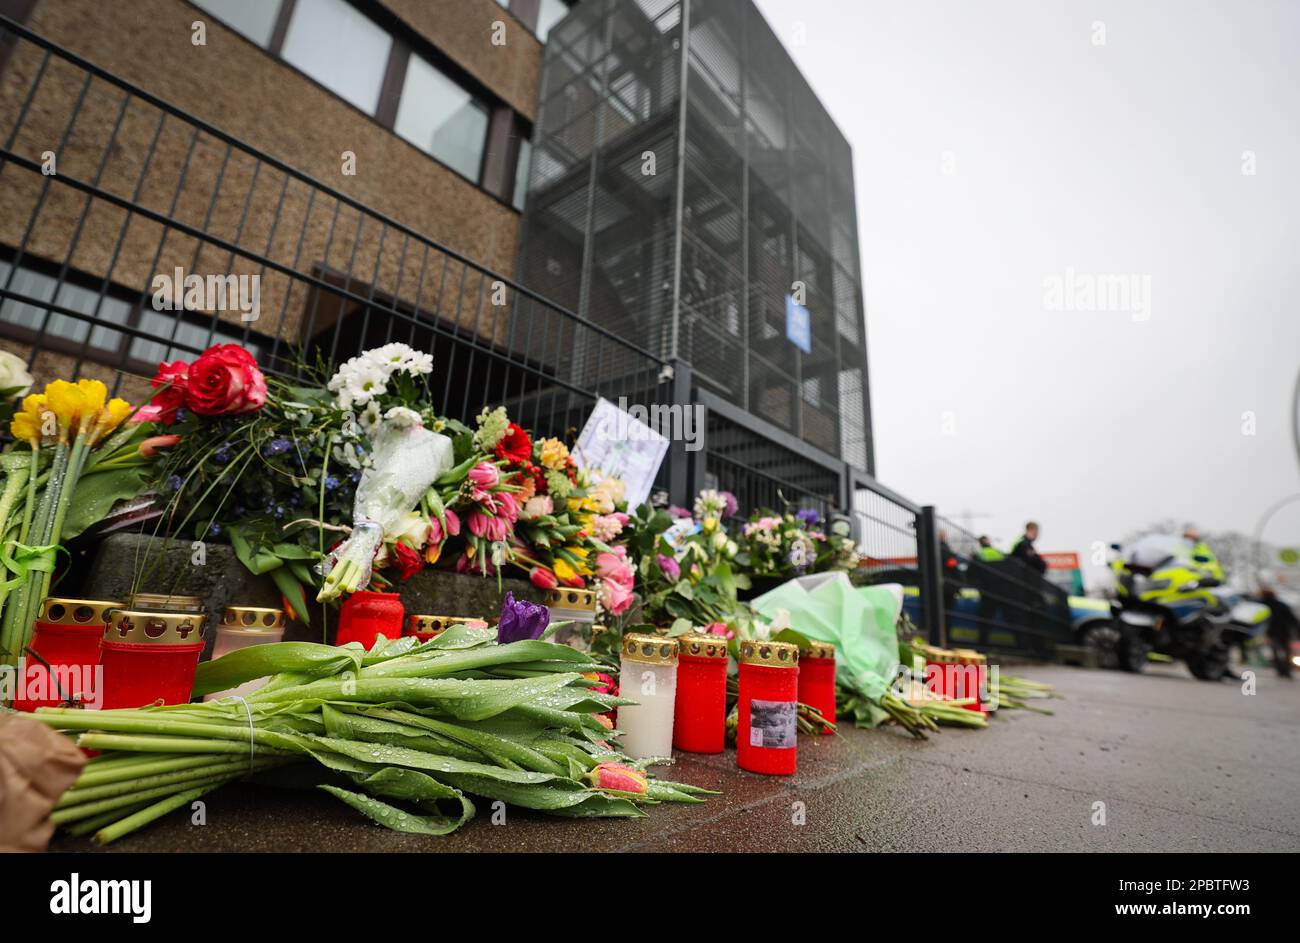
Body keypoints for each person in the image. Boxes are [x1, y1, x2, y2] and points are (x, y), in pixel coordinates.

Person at [1260, 587, 1297, 679]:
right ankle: (1286, 670)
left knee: (1275, 651)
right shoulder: (1282, 605)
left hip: (1272, 632)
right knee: (1286, 651)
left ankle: (1280, 669)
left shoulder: (1262, 605)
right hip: (1284, 631)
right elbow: (1293, 619)